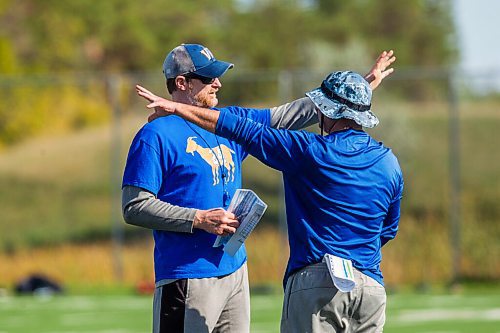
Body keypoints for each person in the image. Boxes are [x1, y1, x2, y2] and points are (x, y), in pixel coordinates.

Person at [123, 43, 396, 333]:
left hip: (235, 272)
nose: (218, 83)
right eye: (208, 78)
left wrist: (357, 92)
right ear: (182, 83)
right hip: (186, 274)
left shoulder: (226, 123)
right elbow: (134, 206)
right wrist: (199, 219)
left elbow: (288, 115)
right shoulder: (155, 134)